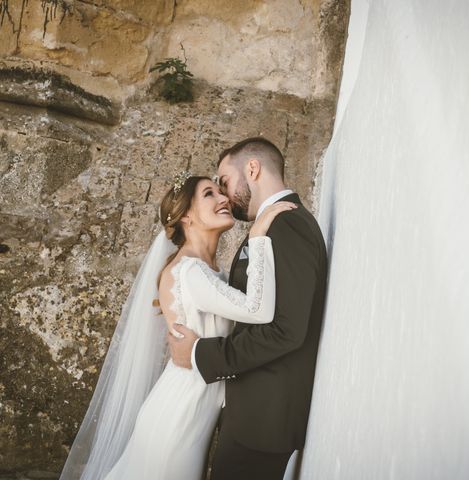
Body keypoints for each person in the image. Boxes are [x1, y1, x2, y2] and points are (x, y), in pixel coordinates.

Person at [60, 173, 295, 480]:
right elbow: (257, 309)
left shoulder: (209, 271)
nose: (224, 198)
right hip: (178, 417)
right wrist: (259, 235)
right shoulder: (189, 273)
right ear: (186, 215)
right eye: (210, 194)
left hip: (194, 414)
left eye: (221, 192)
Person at [168, 137, 328, 480]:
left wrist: (201, 353)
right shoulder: (274, 224)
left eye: (224, 181)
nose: (225, 195)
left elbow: (286, 330)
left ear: (252, 168)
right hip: (253, 416)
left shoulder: (288, 225)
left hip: (265, 420)